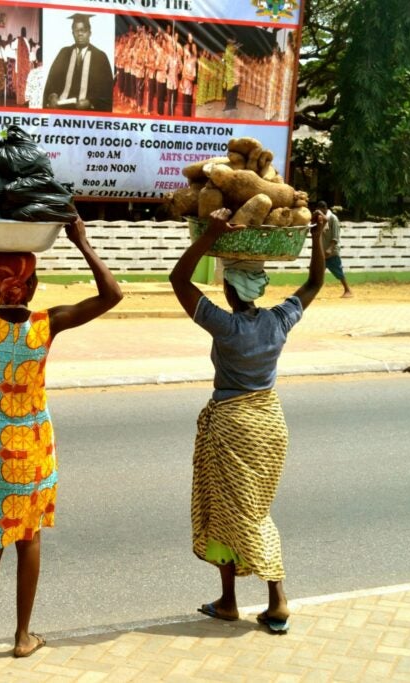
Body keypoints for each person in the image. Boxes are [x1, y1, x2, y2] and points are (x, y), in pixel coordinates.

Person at [0, 217, 122, 669]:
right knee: (28, 541)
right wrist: (82, 243)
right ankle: (23, 637)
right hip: (34, 449)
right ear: (30, 286)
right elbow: (112, 295)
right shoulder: (48, 324)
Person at [168, 207, 326, 635]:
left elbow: (178, 281)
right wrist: (317, 236)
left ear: (231, 291)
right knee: (247, 510)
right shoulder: (278, 321)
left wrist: (211, 234)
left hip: (233, 424)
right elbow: (314, 283)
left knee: (238, 513)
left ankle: (277, 600)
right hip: (270, 422)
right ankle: (230, 601)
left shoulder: (226, 326)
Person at [43, 13, 113, 112]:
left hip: (88, 110)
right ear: (73, 33)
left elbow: (106, 91)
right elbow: (52, 80)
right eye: (76, 30)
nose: (80, 34)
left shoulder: (100, 57)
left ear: (90, 33)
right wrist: (53, 95)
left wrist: (90, 102)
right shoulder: (64, 53)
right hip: (63, 108)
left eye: (83, 30)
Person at [316, 201, 354, 298]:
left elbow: (335, 236)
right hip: (323, 252)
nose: (319, 213)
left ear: (325, 209)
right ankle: (312, 291)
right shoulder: (321, 219)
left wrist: (329, 249)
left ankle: (348, 290)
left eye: (320, 211)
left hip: (331, 251)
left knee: (338, 272)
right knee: (318, 273)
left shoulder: (333, 219)